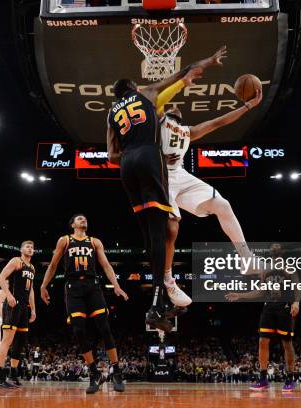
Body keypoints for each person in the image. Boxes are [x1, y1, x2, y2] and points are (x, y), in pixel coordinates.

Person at [106, 46, 227, 331]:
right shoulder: (145, 93)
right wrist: (208, 60)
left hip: (126, 166)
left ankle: (161, 302)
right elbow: (181, 73)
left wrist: (131, 151)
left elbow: (111, 155)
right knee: (162, 231)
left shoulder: (111, 113)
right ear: (134, 88)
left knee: (150, 234)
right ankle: (157, 304)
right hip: (149, 156)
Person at [155, 90, 263, 299]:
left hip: (179, 174)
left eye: (177, 107)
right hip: (159, 176)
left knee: (223, 205)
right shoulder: (158, 121)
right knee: (171, 228)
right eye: (171, 106)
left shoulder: (188, 131)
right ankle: (168, 280)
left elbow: (218, 122)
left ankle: (246, 258)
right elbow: (157, 99)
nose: (175, 106)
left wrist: (248, 106)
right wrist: (181, 82)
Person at [41, 214, 129, 394]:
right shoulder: (64, 240)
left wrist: (117, 286)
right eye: (80, 219)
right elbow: (53, 264)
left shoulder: (95, 241)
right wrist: (43, 286)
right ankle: (94, 372)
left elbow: (105, 265)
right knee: (79, 330)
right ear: (72, 224)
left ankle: (116, 371)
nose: (84, 220)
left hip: (92, 286)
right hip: (73, 287)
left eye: (85, 219)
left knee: (104, 328)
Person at [226, 243, 301, 392]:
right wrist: (240, 295)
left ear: (281, 251)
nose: (274, 248)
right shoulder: (264, 269)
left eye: (277, 246)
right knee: (262, 341)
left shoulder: (289, 266)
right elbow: (260, 291)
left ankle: (290, 377)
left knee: (286, 343)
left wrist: (297, 302)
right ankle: (263, 378)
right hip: (269, 307)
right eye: (272, 247)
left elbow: (296, 285)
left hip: (284, 306)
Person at [0, 241, 37, 388]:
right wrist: (9, 295)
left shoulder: (32, 268)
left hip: (24, 307)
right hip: (13, 304)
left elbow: (30, 290)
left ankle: (13, 374)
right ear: (21, 249)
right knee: (8, 340)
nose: (30, 249)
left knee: (20, 342)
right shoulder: (16, 261)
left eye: (32, 247)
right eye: (27, 247)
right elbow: (1, 277)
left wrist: (34, 309)